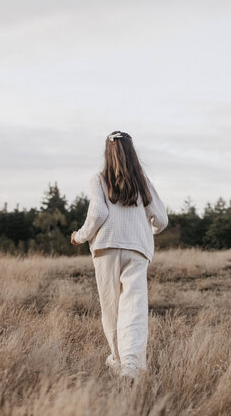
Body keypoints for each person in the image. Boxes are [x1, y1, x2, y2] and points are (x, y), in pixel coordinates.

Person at [71, 131, 168, 380]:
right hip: (137, 250)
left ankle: (117, 359)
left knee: (111, 309)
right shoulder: (142, 181)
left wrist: (79, 236)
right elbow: (162, 219)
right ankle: (132, 367)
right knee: (134, 309)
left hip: (105, 249)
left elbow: (97, 215)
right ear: (132, 152)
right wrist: (148, 232)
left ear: (107, 152)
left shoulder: (99, 179)